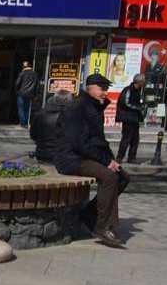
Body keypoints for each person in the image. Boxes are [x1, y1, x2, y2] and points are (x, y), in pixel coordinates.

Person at [55, 74, 130, 248]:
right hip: (71, 158)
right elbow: (79, 143)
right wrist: (105, 162)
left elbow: (98, 140)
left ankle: (89, 214)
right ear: (90, 88)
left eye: (107, 89)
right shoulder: (77, 107)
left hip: (86, 155)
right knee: (109, 177)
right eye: (102, 88)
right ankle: (102, 227)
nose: (105, 92)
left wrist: (111, 160)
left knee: (122, 177)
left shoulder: (94, 107)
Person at [30, 91, 73, 163]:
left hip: (42, 155)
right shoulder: (74, 117)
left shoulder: (39, 115)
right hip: (64, 157)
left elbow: (33, 135)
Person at [116, 73, 147, 164]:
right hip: (128, 118)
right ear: (139, 82)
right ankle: (119, 157)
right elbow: (125, 103)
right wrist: (138, 108)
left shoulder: (139, 90)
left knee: (135, 139)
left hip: (134, 118)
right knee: (126, 138)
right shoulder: (128, 90)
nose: (144, 83)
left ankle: (132, 157)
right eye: (143, 81)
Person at [15, 61, 37, 128]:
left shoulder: (22, 73)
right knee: (26, 109)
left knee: (21, 108)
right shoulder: (34, 74)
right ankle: (26, 123)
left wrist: (17, 91)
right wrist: (35, 94)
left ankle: (23, 123)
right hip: (30, 94)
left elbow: (17, 83)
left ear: (23, 67)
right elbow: (36, 85)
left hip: (21, 93)